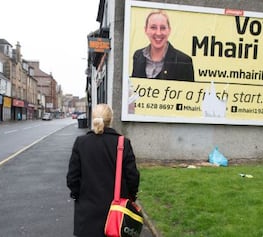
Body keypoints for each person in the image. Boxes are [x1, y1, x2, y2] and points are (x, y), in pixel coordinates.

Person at [66, 104, 140, 237]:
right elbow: (132, 178)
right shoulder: (123, 143)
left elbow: (72, 178)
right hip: (116, 215)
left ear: (93, 118)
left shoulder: (81, 142)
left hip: (87, 214)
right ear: (111, 120)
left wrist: (78, 196)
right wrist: (131, 197)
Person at [131, 10, 195, 81]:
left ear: (169, 30)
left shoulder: (184, 61)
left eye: (163, 28)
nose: (158, 33)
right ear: (146, 30)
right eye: (153, 27)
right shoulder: (138, 56)